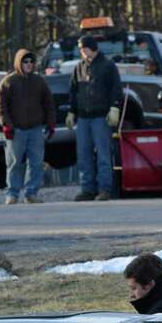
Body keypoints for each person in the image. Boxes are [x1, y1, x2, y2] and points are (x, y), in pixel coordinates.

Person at [0, 49, 57, 205]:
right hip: (16, 130)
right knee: (14, 163)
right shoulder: (9, 81)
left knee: (36, 163)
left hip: (35, 129)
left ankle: (31, 194)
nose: (29, 64)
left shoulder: (39, 81)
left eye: (31, 61)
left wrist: (51, 123)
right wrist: (7, 125)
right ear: (19, 63)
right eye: (25, 62)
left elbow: (49, 103)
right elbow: (0, 106)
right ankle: (12, 194)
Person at [67, 34, 124, 201]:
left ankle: (105, 189)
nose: (82, 52)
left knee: (103, 155)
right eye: (80, 49)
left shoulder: (108, 65)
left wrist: (114, 107)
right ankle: (88, 189)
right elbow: (73, 90)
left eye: (84, 48)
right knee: (83, 155)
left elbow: (116, 88)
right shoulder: (79, 68)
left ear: (93, 48)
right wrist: (71, 111)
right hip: (83, 118)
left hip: (100, 117)